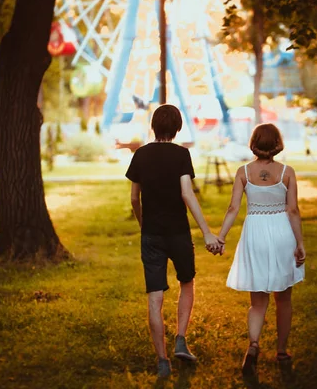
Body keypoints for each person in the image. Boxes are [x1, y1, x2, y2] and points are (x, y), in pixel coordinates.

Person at [126, 104, 221, 378]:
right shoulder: (181, 154)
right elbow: (187, 194)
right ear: (177, 127)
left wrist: (143, 224)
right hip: (179, 232)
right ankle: (180, 337)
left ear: (153, 126)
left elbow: (134, 198)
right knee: (186, 283)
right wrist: (206, 232)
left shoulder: (141, 155)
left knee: (155, 298)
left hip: (152, 234)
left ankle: (162, 361)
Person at [215, 123, 306, 375]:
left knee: (257, 302)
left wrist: (221, 236)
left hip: (254, 231)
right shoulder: (287, 172)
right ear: (277, 143)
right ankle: (282, 352)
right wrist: (300, 243)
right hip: (281, 232)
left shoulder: (244, 171)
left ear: (253, 143)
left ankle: (253, 346)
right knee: (283, 299)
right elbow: (293, 210)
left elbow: (233, 208)